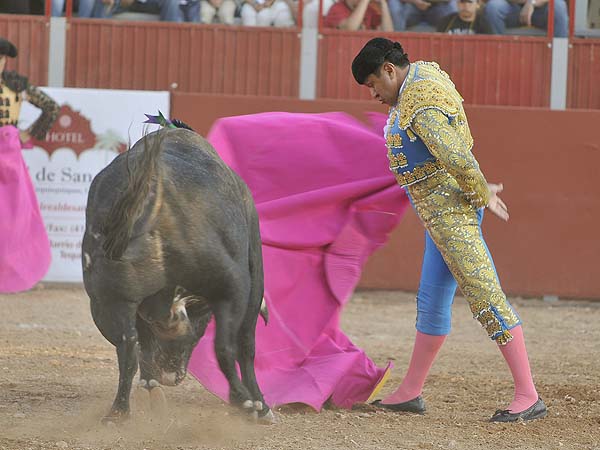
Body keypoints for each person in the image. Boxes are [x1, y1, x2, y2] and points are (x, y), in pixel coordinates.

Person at [351, 37, 547, 422]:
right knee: (432, 301)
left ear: (389, 70)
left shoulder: (418, 103)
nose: (373, 93)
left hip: (451, 212)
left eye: (374, 83)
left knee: (485, 294)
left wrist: (478, 190)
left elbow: (454, 152)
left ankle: (528, 394)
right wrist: (474, 185)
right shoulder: (424, 73)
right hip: (440, 214)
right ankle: (411, 390)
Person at [0, 38, 58, 293]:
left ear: (4, 60)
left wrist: (28, 133)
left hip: (8, 152)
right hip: (9, 148)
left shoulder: (17, 83)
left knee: (16, 216)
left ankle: (21, 274)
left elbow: (51, 108)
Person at [483, 0, 569, 37]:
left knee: (559, 6)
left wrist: (532, 2)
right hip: (513, 8)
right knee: (493, 7)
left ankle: (560, 57)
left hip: (540, 9)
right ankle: (497, 51)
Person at [387, 0, 457, 31]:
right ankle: (396, 39)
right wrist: (416, 2)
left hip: (437, 8)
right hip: (411, 7)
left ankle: (454, 39)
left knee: (454, 4)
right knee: (394, 2)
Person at [324, 0, 393, 30]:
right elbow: (349, 29)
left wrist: (383, 3)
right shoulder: (337, 8)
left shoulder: (369, 10)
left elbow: (388, 31)